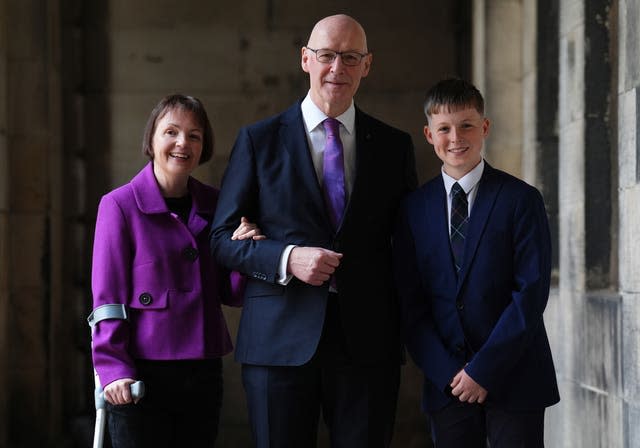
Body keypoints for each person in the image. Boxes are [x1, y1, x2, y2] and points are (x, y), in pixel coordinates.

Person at [210, 14, 417, 447]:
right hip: (277, 342)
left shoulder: (394, 147)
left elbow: (409, 244)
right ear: (306, 59)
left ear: (367, 65)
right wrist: (287, 258)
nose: (337, 68)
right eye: (326, 55)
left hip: (368, 342)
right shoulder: (258, 140)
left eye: (350, 57)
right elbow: (221, 239)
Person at [393, 78, 560, 447]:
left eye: (467, 125)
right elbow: (411, 303)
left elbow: (530, 294)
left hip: (516, 378)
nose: (456, 137)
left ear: (484, 127)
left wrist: (483, 370)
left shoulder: (521, 199)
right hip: (447, 383)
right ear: (428, 134)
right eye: (444, 128)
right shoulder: (412, 210)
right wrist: (450, 373)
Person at [89, 94, 262, 447]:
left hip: (202, 372)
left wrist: (247, 252)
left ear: (203, 147)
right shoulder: (119, 205)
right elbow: (107, 299)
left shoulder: (218, 204)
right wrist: (114, 369)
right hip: (139, 375)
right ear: (152, 139)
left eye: (194, 136)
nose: (183, 143)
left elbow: (231, 293)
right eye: (172, 132)